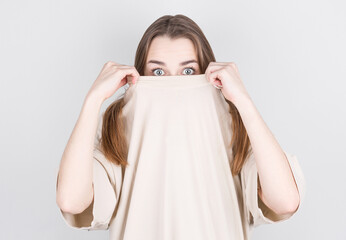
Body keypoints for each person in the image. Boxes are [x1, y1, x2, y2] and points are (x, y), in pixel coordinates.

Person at [56, 14, 305, 239]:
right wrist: (92, 101)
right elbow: (71, 201)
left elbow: (285, 201)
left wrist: (244, 103)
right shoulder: (116, 125)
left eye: (188, 71)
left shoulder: (236, 123)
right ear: (138, 75)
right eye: (158, 73)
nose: (174, 83)